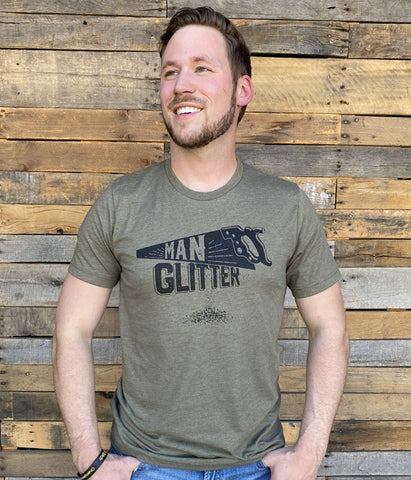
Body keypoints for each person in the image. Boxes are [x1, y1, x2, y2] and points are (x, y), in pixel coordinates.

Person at [53, 6, 349, 480]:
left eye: (202, 68)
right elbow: (71, 329)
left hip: (256, 466)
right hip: (146, 466)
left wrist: (310, 453)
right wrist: (89, 459)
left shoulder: (286, 206)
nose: (181, 85)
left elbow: (330, 326)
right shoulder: (120, 204)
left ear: (242, 89)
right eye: (170, 72)